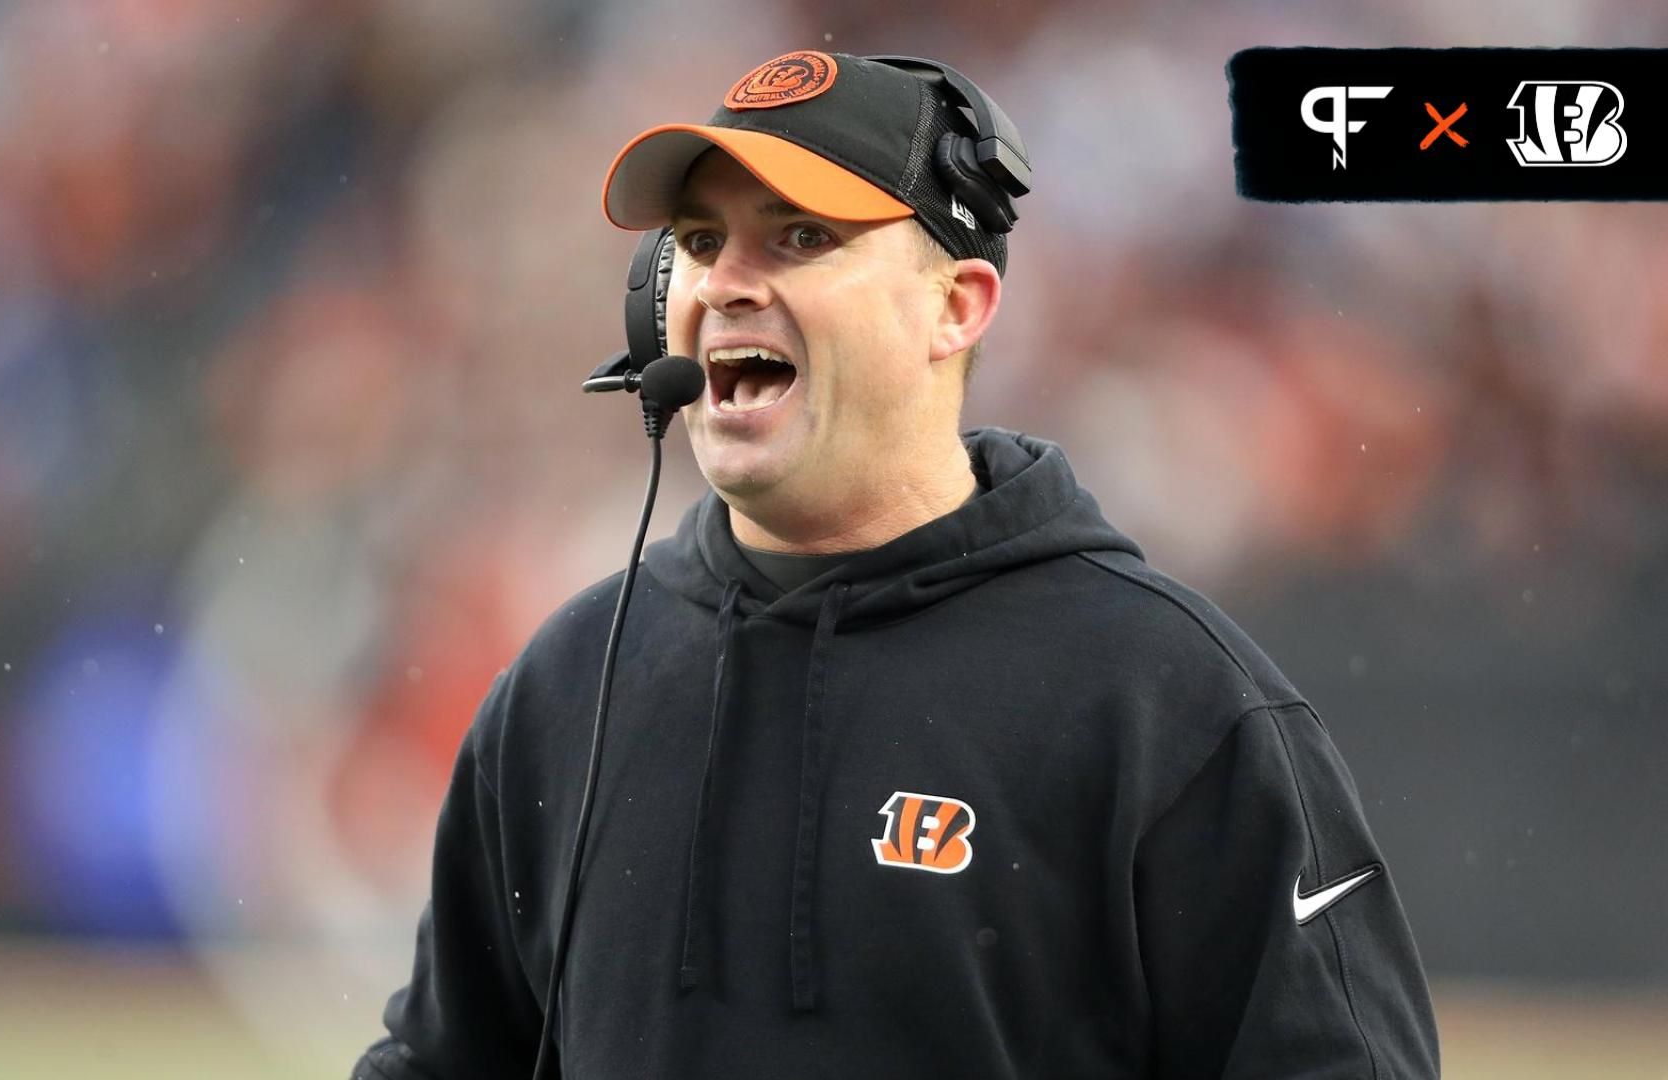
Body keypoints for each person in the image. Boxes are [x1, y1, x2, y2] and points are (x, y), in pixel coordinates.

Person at [354, 50, 1440, 1079]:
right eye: (697, 240)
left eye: (802, 239)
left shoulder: (1169, 701)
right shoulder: (568, 685)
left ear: (956, 307)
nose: (725, 284)